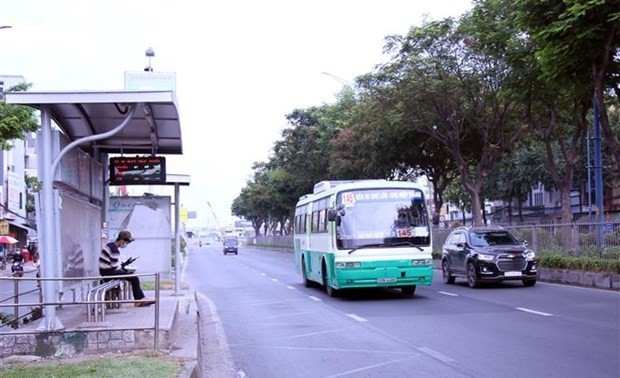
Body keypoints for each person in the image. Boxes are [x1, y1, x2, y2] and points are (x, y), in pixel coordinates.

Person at [99, 230, 154, 307]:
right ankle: (139, 300)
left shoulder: (110, 245)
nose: (126, 244)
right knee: (134, 278)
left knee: (132, 276)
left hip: (105, 271)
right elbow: (115, 267)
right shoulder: (114, 250)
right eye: (127, 242)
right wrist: (125, 267)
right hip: (108, 272)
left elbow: (114, 265)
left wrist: (124, 265)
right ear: (122, 240)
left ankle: (140, 299)